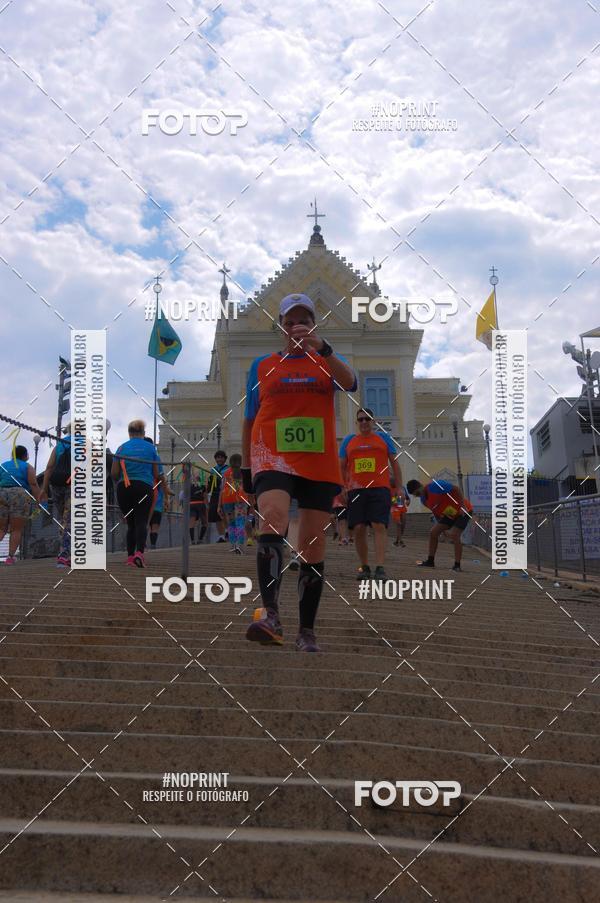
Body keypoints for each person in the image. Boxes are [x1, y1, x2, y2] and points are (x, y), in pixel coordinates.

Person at [241, 292, 356, 652]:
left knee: (312, 544)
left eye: (304, 320)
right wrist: (246, 467)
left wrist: (323, 348)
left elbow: (351, 382)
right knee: (273, 516)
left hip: (317, 459)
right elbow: (249, 418)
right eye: (290, 321)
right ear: (281, 326)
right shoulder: (262, 365)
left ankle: (306, 630)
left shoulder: (325, 361)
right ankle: (270, 615)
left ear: (314, 324)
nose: (296, 327)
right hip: (271, 454)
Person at [340, 407, 402, 581]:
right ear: (357, 423)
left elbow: (394, 464)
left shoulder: (383, 438)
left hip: (379, 488)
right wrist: (342, 487)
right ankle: (365, 566)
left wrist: (399, 487)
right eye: (360, 419)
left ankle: (380, 567)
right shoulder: (349, 441)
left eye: (367, 419)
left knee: (378, 525)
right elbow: (341, 466)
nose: (364, 422)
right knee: (359, 528)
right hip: (356, 489)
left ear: (373, 422)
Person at [111, 420, 166, 568]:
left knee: (131, 523)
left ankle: (129, 557)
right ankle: (139, 554)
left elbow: (114, 473)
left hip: (124, 488)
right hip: (143, 487)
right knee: (141, 521)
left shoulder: (121, 448)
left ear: (129, 433)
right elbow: (157, 473)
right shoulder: (150, 448)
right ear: (143, 433)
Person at [406, 478, 473, 572]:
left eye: (418, 493)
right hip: (449, 514)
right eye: (416, 495)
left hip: (464, 510)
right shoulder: (424, 500)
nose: (419, 496)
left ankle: (457, 565)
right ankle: (430, 561)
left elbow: (456, 489)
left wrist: (462, 506)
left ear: (421, 485)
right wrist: (441, 529)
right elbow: (436, 513)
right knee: (433, 532)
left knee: (455, 534)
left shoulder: (435, 486)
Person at [0, 445, 42, 564]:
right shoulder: (27, 466)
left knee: (1, 529)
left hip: (2, 493)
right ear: (25, 455)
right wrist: (39, 502)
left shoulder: (3, 465)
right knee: (16, 529)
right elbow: (33, 484)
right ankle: (10, 558)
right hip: (19, 494)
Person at [40, 426, 73, 567]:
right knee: (70, 519)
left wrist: (44, 488)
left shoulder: (60, 444)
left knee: (63, 519)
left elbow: (49, 467)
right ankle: (64, 554)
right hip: (74, 484)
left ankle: (67, 552)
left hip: (56, 483)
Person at [142, 437, 171, 549]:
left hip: (148, 497)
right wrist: (166, 497)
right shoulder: (156, 458)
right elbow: (161, 477)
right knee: (154, 525)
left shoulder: (138, 458)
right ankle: (152, 545)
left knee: (145, 523)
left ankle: (142, 544)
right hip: (156, 498)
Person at [218, 453, 249, 554]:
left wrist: (219, 505)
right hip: (240, 499)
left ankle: (233, 544)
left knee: (231, 523)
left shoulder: (225, 473)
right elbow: (249, 488)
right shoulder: (244, 472)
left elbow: (221, 489)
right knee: (240, 522)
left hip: (227, 499)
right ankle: (240, 546)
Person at [207, 450, 228, 542]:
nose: (219, 459)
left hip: (225, 494)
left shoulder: (228, 469)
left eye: (221, 457)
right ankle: (221, 536)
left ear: (225, 458)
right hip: (215, 494)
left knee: (227, 514)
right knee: (217, 516)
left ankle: (228, 532)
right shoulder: (213, 470)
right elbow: (210, 484)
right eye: (218, 457)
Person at [189, 477, 208, 544]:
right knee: (204, 523)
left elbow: (184, 497)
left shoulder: (189, 487)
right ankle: (200, 539)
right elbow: (205, 497)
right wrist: (207, 506)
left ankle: (192, 540)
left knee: (192, 523)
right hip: (200, 504)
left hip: (191, 504)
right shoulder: (202, 486)